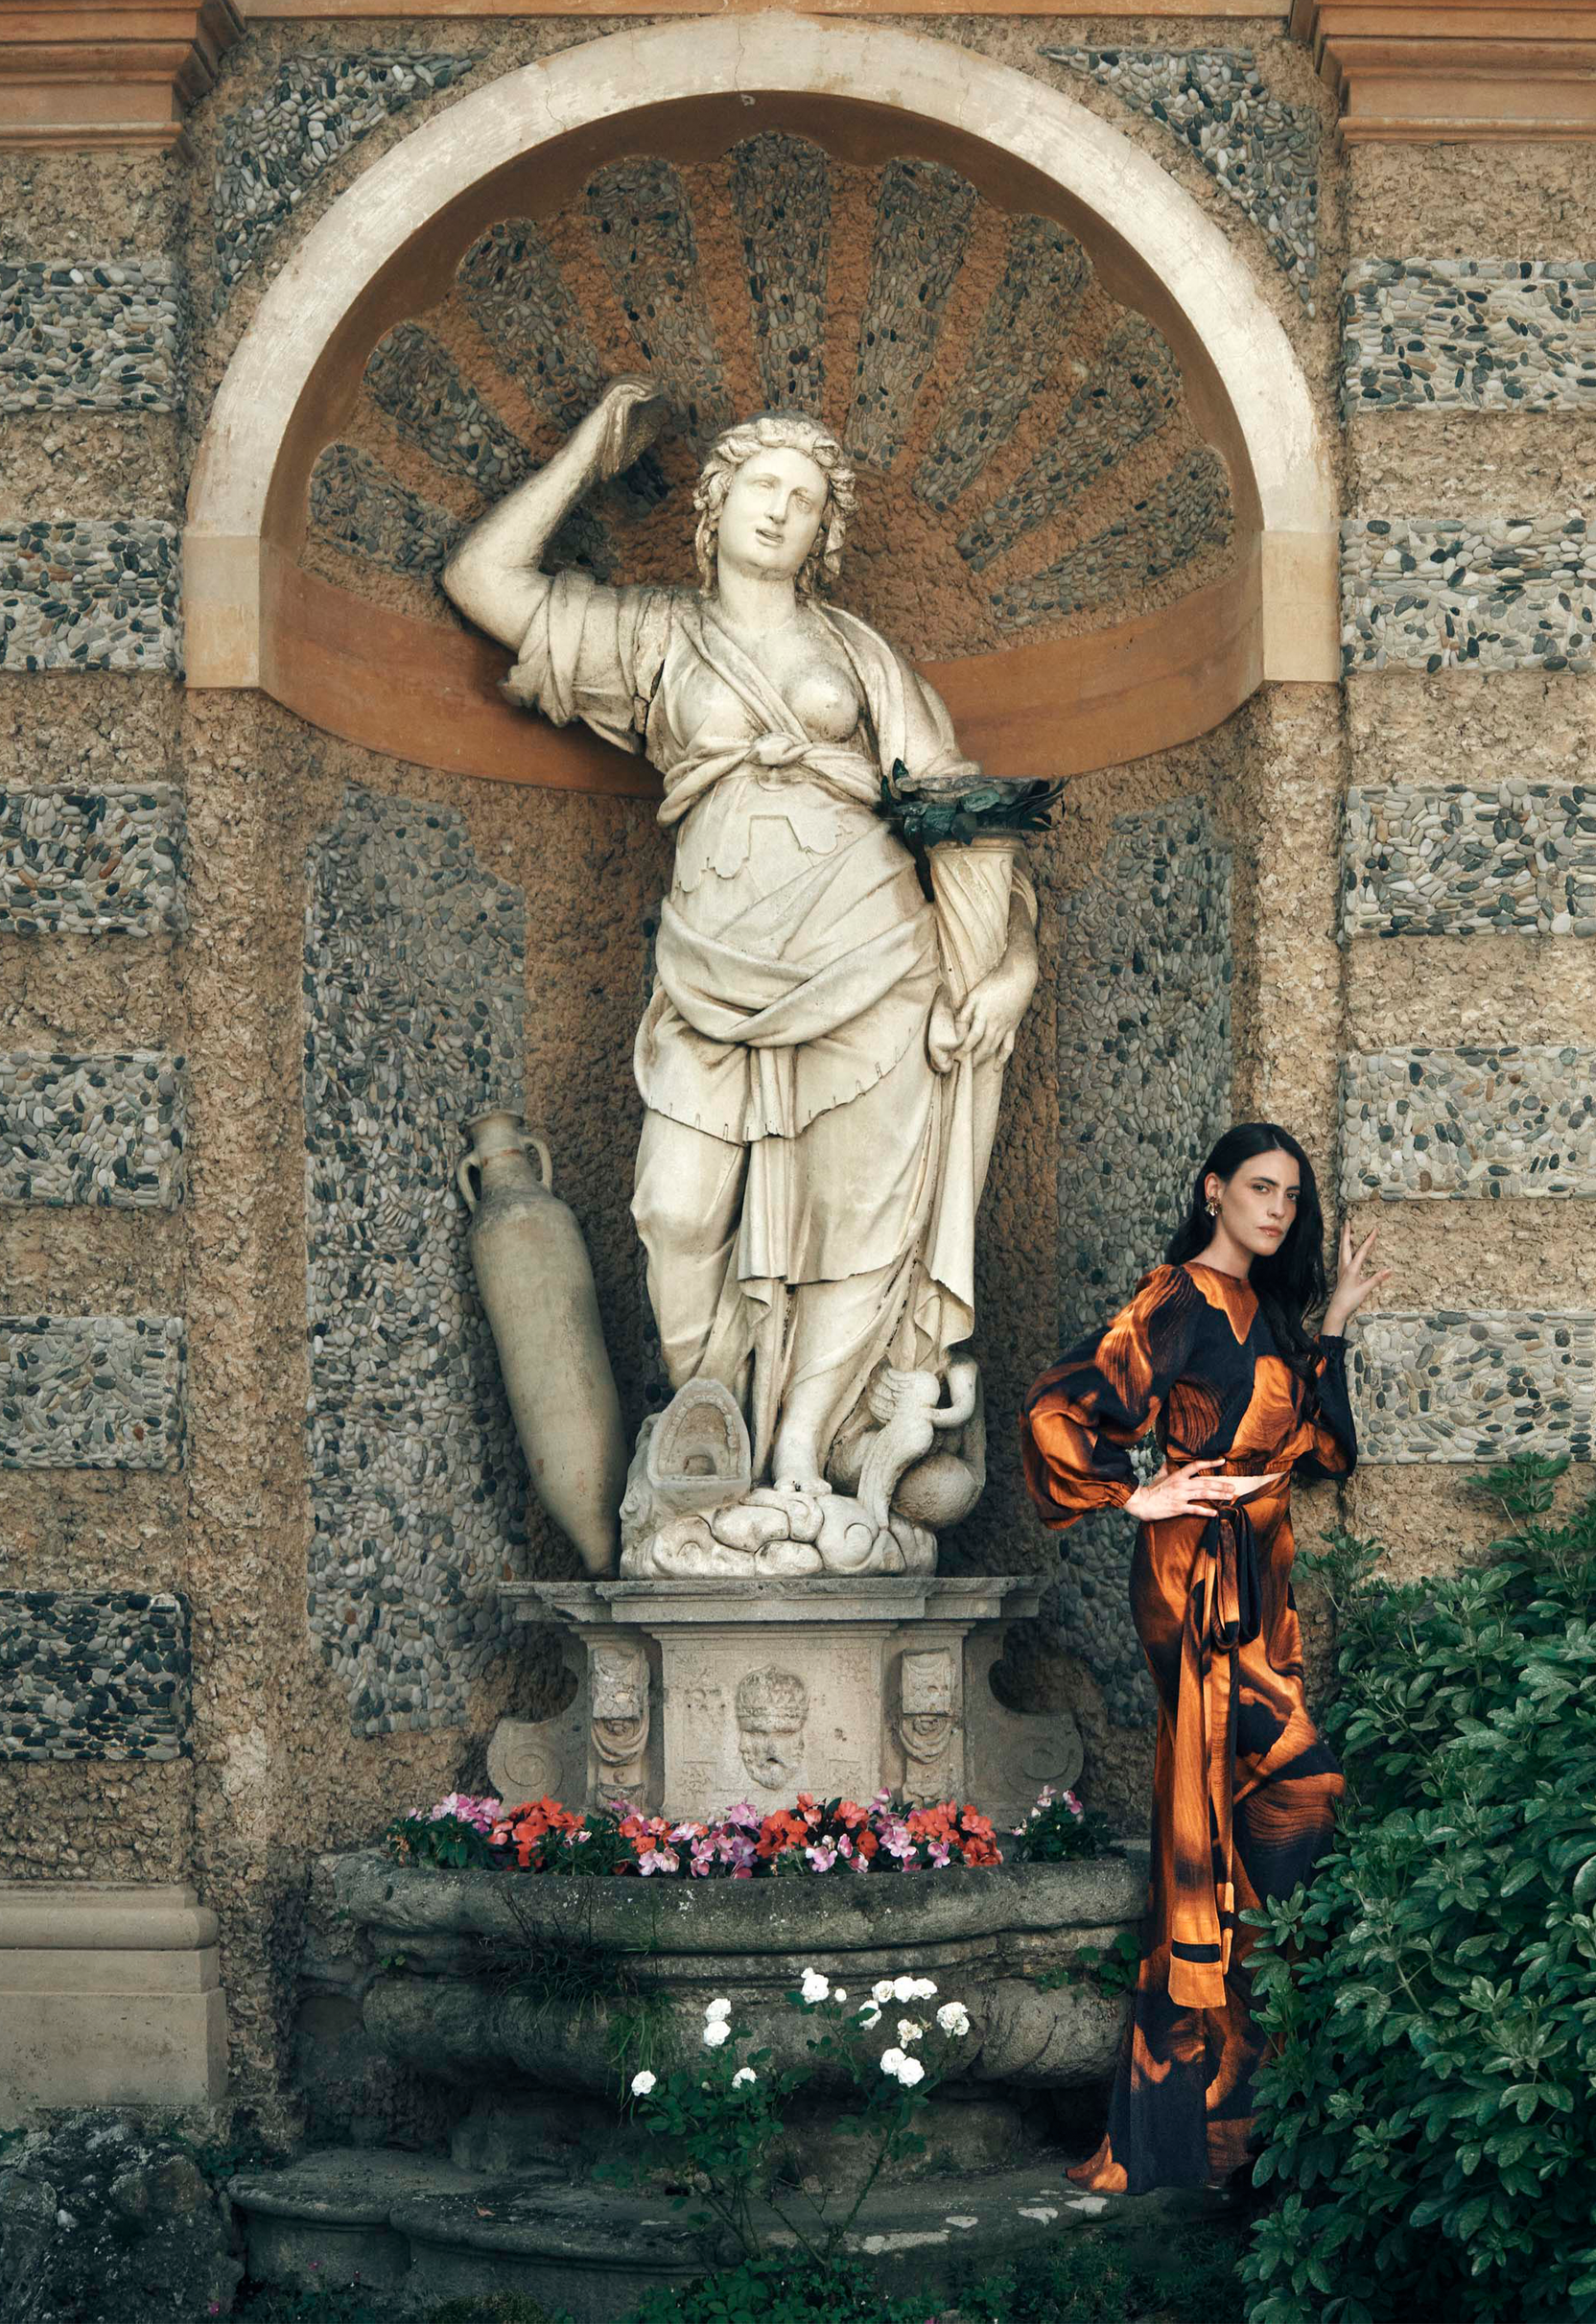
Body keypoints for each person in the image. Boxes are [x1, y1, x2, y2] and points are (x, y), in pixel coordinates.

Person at [443, 383, 1039, 1512]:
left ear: (825, 535)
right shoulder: (656, 636)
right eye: (761, 486)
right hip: (714, 970)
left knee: (857, 1229)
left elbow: (970, 820)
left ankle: (806, 1457)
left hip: (875, 960)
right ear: (714, 507)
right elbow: (483, 584)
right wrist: (584, 458)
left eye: (806, 500)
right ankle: (707, 1449)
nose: (780, 510)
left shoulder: (861, 659)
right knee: (674, 1210)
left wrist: (1008, 969)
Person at [1021, 1121, 1391, 2195]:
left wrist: (1326, 1328)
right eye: (1260, 1189)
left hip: (1257, 1572)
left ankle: (1222, 2129)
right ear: (1212, 1190)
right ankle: (1202, 2115)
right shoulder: (1174, 1298)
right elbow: (1061, 1403)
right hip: (1193, 1580)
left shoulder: (1264, 1314)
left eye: (1291, 1197)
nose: (1277, 1210)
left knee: (1238, 1833)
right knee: (1300, 1789)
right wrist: (1132, 1491)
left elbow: (1319, 1454)